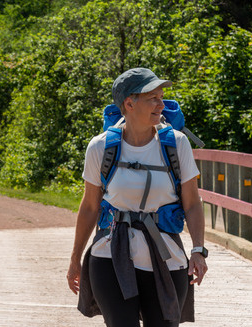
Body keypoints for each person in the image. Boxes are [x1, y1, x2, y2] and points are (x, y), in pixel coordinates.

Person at [67, 67, 208, 327]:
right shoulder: (101, 147)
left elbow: (192, 203)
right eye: (152, 97)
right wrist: (75, 258)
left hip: (167, 259)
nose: (161, 104)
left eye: (161, 96)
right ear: (129, 103)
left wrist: (198, 250)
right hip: (110, 256)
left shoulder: (176, 144)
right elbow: (89, 207)